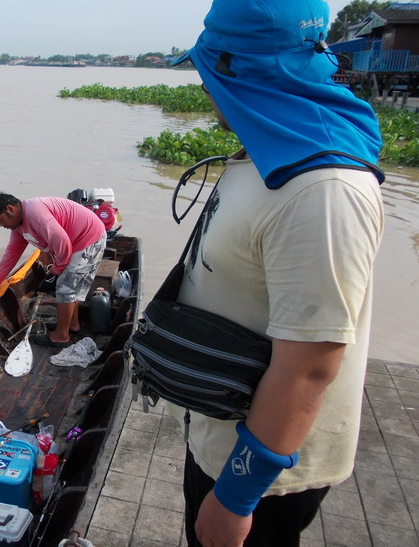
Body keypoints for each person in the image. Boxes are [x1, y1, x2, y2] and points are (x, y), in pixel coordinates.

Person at [168, 1, 385, 545]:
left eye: (207, 71)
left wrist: (236, 498)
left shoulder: (323, 192)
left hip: (267, 478)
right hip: (222, 431)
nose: (203, 86)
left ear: (239, 70)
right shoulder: (269, 151)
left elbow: (311, 366)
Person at [0, 192, 106, 346]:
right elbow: (11, 255)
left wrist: (58, 268)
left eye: (0, 220)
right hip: (75, 242)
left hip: (88, 239)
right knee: (71, 286)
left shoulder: (35, 214)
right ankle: (72, 324)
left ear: (10, 209)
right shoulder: (18, 226)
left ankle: (61, 335)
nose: (1, 225)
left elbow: (62, 243)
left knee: (66, 288)